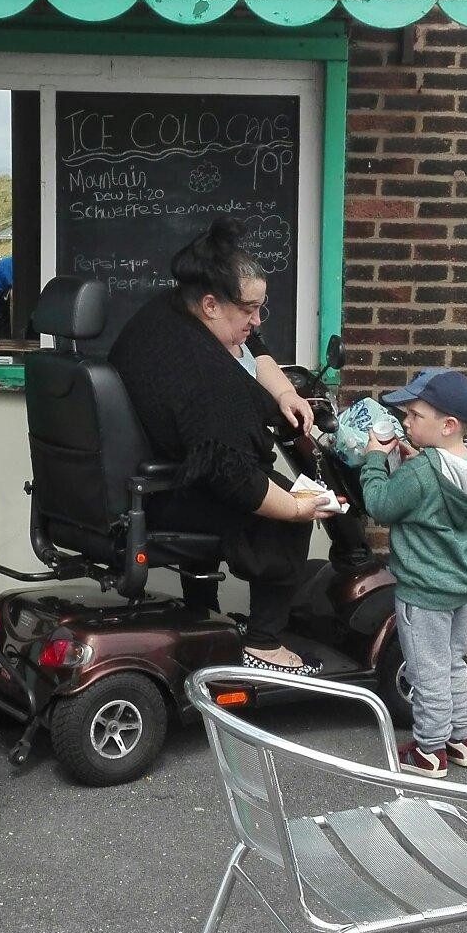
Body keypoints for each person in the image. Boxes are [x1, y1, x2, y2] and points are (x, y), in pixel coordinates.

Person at [108, 220, 338, 676]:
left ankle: (203, 614)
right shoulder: (203, 376)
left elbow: (254, 345)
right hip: (170, 492)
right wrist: (299, 509)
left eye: (260, 308)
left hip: (150, 477)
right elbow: (237, 480)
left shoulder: (173, 310)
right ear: (212, 304)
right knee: (286, 509)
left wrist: (285, 394)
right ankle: (266, 646)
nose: (256, 320)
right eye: (250, 309)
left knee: (279, 496)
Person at [360, 370, 467, 778]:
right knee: (454, 662)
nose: (406, 422)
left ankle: (430, 750)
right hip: (461, 583)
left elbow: (380, 505)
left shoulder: (421, 472)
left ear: (448, 424)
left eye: (416, 415)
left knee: (425, 670)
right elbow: (439, 488)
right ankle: (462, 738)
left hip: (424, 590)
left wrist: (373, 460)